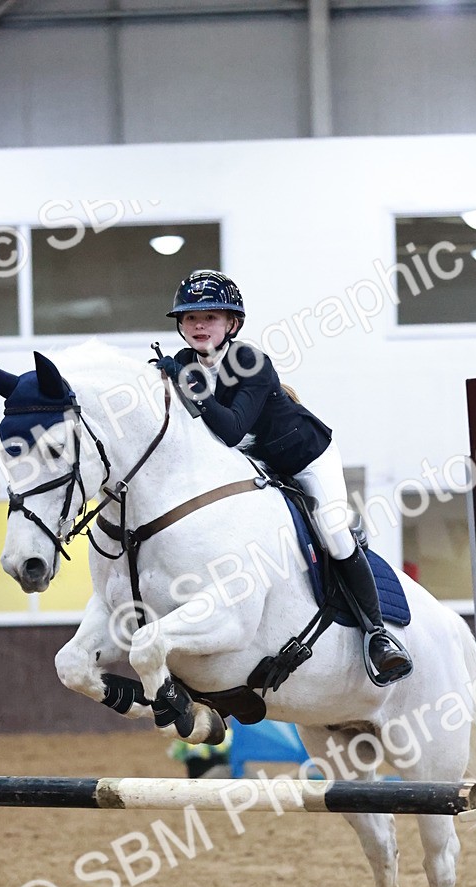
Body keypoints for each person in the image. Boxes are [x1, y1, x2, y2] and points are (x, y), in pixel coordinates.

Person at [150, 268, 412, 682]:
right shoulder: (184, 363)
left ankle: (378, 636)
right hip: (254, 464)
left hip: (306, 457)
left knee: (334, 534)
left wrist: (190, 387)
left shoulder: (248, 361)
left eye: (210, 317)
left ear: (231, 324)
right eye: (190, 318)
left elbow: (233, 428)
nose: (199, 325)